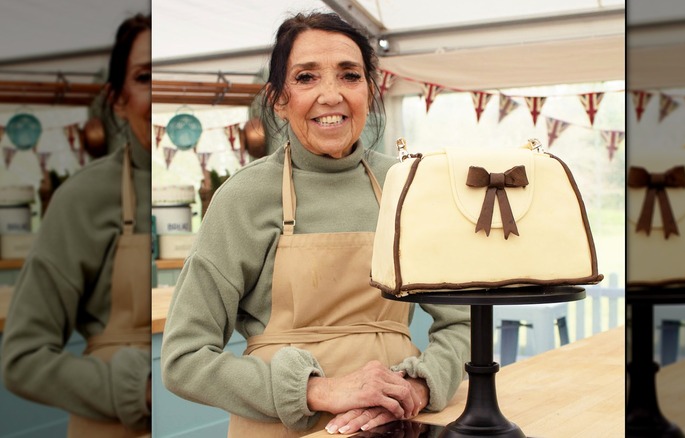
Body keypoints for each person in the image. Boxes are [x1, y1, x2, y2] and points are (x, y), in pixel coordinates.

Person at [161, 12, 470, 437]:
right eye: (306, 77)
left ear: (370, 90)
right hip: (280, 428)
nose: (331, 95)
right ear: (278, 99)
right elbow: (184, 358)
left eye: (349, 76)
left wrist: (417, 387)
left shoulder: (405, 185)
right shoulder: (242, 198)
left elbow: (464, 321)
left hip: (397, 424)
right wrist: (319, 391)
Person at [1, 13, 152, 437]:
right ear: (118, 99)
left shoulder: (230, 197)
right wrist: (139, 391)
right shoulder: (84, 196)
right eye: (145, 77)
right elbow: (22, 358)